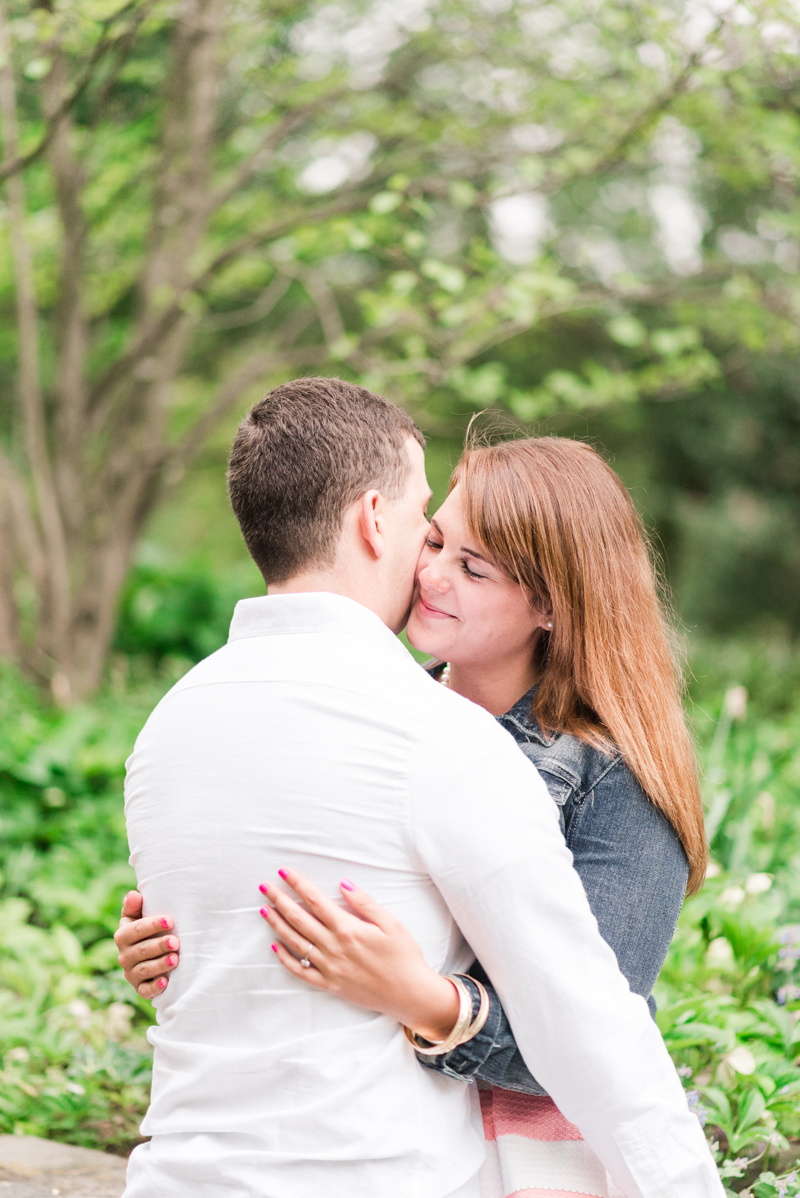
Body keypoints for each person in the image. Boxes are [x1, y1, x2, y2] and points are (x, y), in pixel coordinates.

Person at [118, 377, 721, 1198]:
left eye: (472, 566)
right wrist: (186, 937)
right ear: (379, 523)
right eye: (432, 540)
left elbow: (590, 1022)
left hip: (528, 1162)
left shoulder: (602, 770)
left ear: (552, 604)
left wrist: (430, 1001)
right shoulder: (407, 723)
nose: (432, 575)